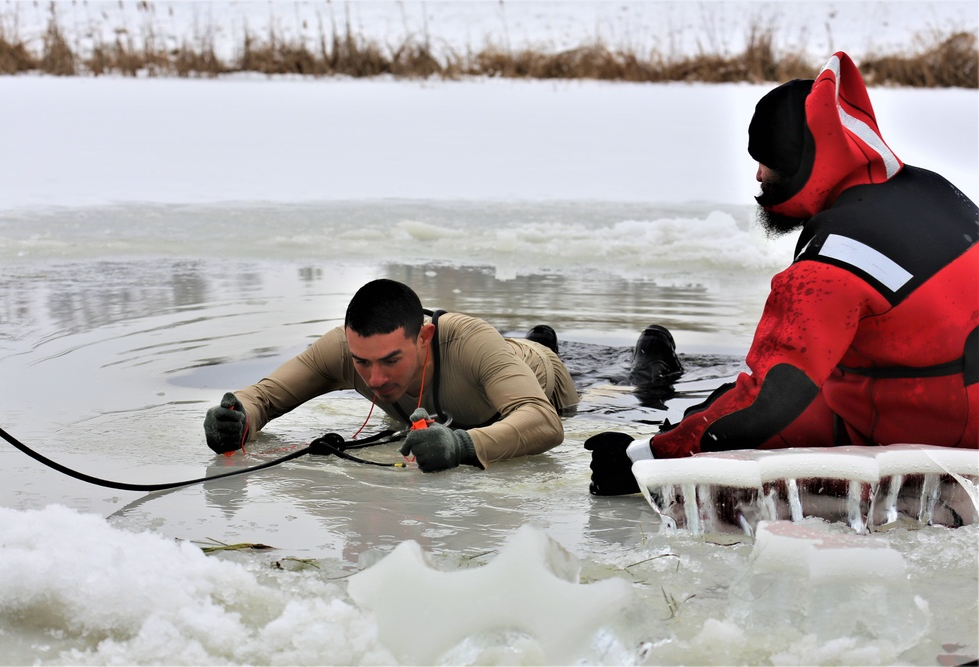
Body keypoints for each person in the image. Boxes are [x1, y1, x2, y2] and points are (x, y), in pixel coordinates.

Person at [586, 51, 979, 495]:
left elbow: (771, 400)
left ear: (800, 160)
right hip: (952, 392)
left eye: (766, 159)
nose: (757, 174)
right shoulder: (932, 189)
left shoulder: (831, 260)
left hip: (940, 430)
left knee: (752, 411)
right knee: (736, 400)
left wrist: (648, 459)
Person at [204, 279, 579, 472]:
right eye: (363, 363)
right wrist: (239, 417)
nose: (376, 379)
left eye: (390, 360)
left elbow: (544, 421)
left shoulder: (471, 342)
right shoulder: (341, 349)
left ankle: (543, 340)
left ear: (424, 337)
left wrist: (460, 446)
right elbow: (264, 397)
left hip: (539, 371)